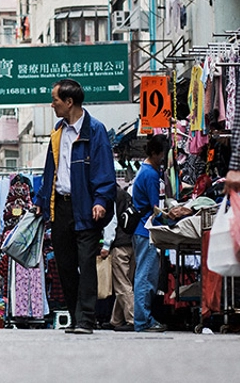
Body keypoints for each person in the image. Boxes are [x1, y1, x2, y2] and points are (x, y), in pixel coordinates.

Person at [35, 78, 116, 335]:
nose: (52, 105)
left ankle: (86, 320)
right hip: (60, 207)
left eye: (55, 100)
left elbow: (104, 168)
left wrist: (101, 201)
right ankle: (75, 315)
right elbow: (51, 171)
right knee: (65, 265)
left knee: (86, 262)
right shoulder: (58, 133)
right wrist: (41, 201)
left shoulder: (96, 131)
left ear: (69, 102)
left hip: (87, 207)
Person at [132, 134, 168, 333]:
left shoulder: (144, 171)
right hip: (147, 230)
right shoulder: (151, 175)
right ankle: (143, 320)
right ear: (155, 153)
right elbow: (156, 208)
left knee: (144, 275)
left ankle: (143, 318)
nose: (164, 157)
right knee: (146, 276)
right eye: (162, 153)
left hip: (140, 229)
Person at [105, 185, 135, 331]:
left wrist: (106, 245)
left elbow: (112, 221)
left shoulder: (111, 195)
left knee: (122, 284)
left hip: (119, 244)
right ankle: (116, 320)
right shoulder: (125, 194)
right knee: (125, 283)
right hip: (131, 242)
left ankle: (133, 318)